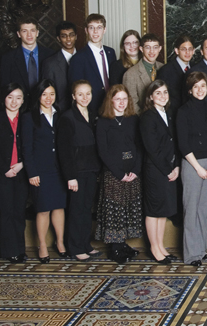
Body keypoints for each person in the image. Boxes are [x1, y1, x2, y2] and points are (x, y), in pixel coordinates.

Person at [95, 85, 143, 264]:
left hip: (132, 172)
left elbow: (139, 146)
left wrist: (136, 171)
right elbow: (103, 151)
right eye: (118, 99)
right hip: (114, 173)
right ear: (110, 101)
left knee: (128, 209)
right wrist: (119, 173)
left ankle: (123, 244)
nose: (122, 103)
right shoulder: (103, 121)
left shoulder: (133, 119)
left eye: (125, 99)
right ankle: (115, 248)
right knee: (114, 210)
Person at [177, 71, 207, 267]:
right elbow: (183, 145)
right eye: (196, 86)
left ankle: (201, 249)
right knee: (191, 209)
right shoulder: (183, 111)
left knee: (203, 209)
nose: (200, 90)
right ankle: (191, 254)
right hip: (192, 163)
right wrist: (199, 169)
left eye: (203, 86)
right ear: (190, 89)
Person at [56, 80, 102, 261]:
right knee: (76, 210)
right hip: (76, 172)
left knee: (86, 209)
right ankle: (75, 247)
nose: (85, 97)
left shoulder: (92, 114)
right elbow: (64, 151)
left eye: (88, 93)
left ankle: (85, 244)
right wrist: (70, 177)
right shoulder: (67, 118)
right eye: (80, 94)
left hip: (91, 170)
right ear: (73, 96)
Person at [23, 79, 68, 263]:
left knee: (59, 207)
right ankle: (42, 245)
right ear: (38, 96)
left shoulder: (61, 115)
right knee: (42, 209)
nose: (48, 98)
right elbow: (26, 148)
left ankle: (60, 242)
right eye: (44, 94)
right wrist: (32, 172)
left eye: (52, 94)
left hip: (59, 169)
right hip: (40, 170)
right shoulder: (29, 117)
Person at [0, 82, 29, 263]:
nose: (14, 101)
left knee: (19, 211)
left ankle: (20, 249)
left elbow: (32, 146)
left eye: (18, 98)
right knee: (6, 211)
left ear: (23, 100)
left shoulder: (27, 119)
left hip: (21, 172)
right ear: (4, 99)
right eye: (10, 97)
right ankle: (9, 250)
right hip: (0, 174)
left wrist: (21, 164)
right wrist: (5, 169)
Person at [139, 80, 179, 264]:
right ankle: (154, 248)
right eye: (158, 93)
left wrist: (176, 166)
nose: (162, 96)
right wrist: (167, 170)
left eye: (165, 92)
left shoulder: (168, 113)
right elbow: (152, 149)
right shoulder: (148, 117)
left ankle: (161, 246)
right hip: (156, 170)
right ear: (150, 97)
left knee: (163, 210)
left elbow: (174, 143)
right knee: (154, 210)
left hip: (170, 168)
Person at [68, 14, 117, 114]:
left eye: (99, 27)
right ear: (86, 30)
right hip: (91, 108)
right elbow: (76, 88)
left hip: (111, 106)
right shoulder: (78, 58)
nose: (95, 32)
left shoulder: (110, 52)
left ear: (104, 30)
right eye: (91, 28)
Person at [0, 16, 55, 97]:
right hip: (20, 105)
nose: (29, 35)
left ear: (37, 33)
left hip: (45, 104)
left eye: (32, 30)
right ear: (18, 34)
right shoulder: (8, 59)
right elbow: (5, 88)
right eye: (24, 31)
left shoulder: (50, 55)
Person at [41, 21, 77, 112]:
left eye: (71, 35)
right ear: (58, 38)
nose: (68, 39)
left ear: (76, 36)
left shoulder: (85, 58)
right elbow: (46, 91)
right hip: (60, 112)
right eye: (64, 36)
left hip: (83, 112)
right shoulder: (49, 63)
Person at [123, 32, 164, 113]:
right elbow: (132, 105)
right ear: (141, 49)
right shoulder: (130, 74)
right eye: (148, 47)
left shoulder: (164, 68)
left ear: (160, 48)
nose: (152, 51)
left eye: (155, 47)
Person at [156, 34, 195, 112]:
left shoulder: (196, 68)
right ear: (177, 51)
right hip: (173, 114)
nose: (187, 52)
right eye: (183, 49)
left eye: (190, 49)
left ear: (193, 51)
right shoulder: (165, 70)